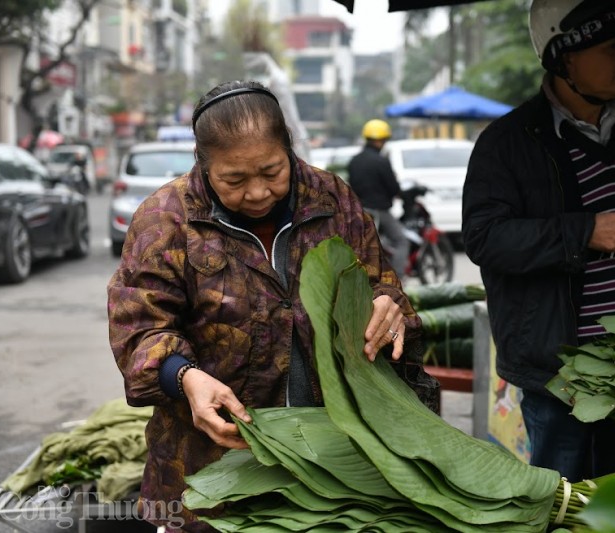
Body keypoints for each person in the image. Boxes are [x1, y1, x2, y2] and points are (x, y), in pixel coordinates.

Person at [107, 81, 434, 532]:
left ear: (289, 148)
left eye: (271, 171)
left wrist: (388, 305)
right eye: (234, 180)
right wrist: (184, 378)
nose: (258, 192)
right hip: (212, 464)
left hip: (332, 461)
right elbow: (140, 328)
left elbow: (380, 283)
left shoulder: (333, 199)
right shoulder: (165, 219)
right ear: (203, 164)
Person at [461, 0, 615, 482]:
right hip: (559, 371)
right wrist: (585, 231)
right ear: (563, 59)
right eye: (609, 47)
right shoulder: (508, 141)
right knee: (563, 495)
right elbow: (485, 239)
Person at [347, 119, 409, 278]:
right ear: (382, 140)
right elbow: (393, 188)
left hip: (359, 212)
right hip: (380, 211)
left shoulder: (354, 161)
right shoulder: (381, 161)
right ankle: (398, 278)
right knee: (401, 240)